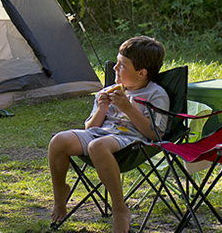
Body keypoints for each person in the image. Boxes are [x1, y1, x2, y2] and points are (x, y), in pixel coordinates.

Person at [47, 36, 169, 233]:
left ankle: (120, 209)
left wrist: (128, 108)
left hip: (132, 140)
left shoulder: (156, 95)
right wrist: (102, 109)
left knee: (97, 146)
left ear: (141, 73)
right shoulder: (107, 91)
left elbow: (155, 134)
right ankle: (60, 195)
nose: (114, 69)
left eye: (121, 65)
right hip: (100, 133)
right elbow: (90, 128)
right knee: (58, 141)